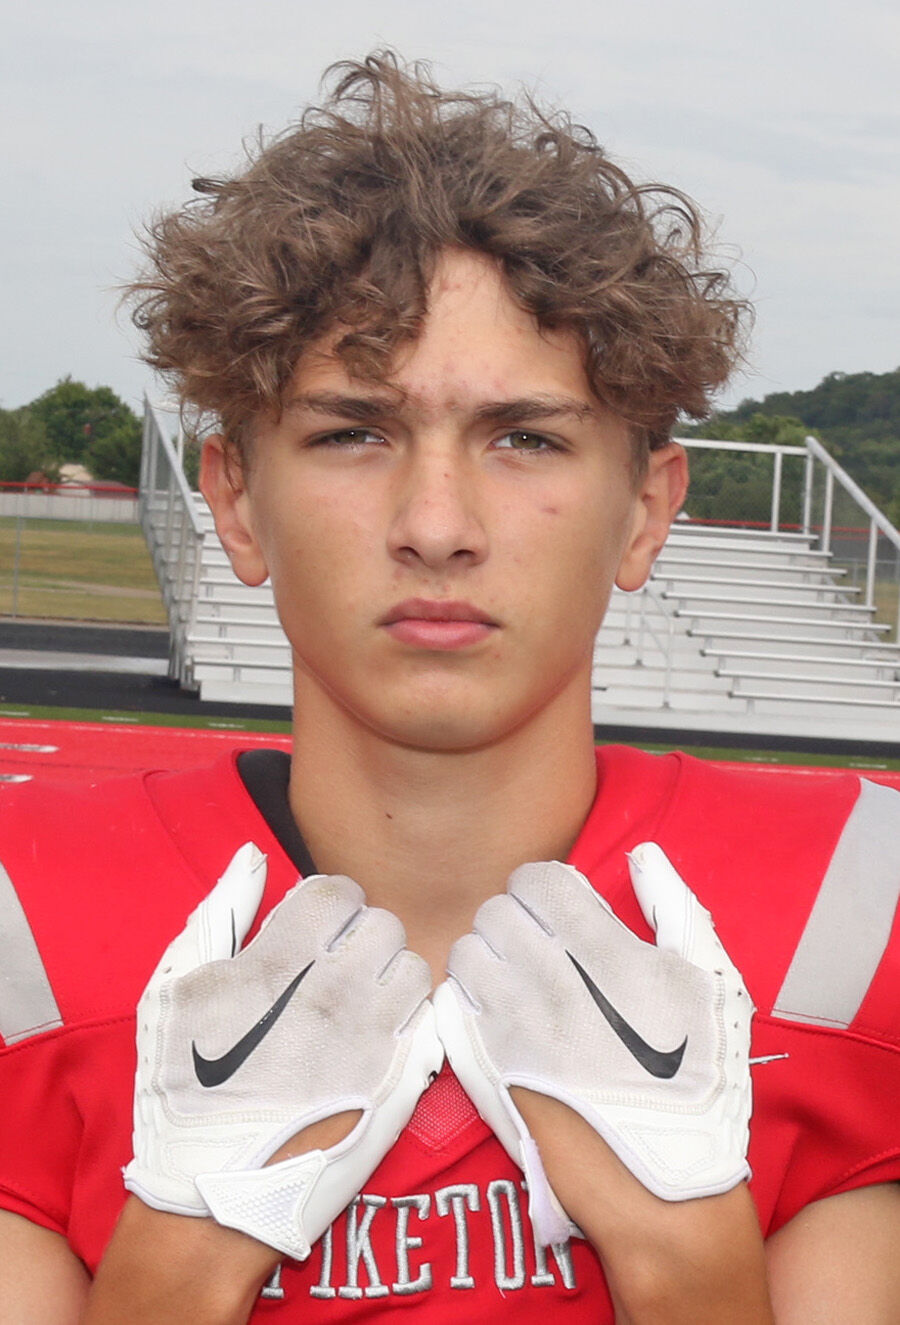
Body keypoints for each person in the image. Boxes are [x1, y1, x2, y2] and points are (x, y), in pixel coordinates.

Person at [1, 51, 898, 1325]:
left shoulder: (847, 922)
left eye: (526, 436)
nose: (436, 524)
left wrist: (686, 1258)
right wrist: (181, 1261)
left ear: (645, 511)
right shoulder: (24, 924)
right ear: (236, 501)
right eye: (352, 432)